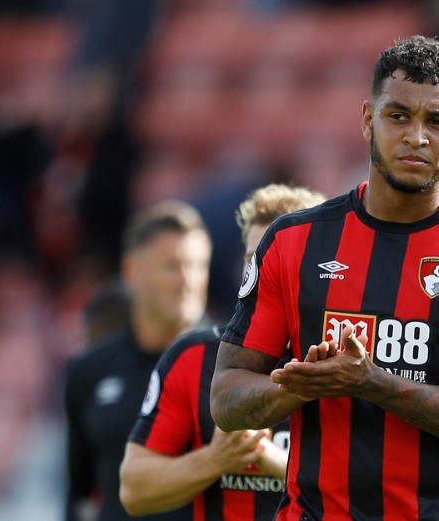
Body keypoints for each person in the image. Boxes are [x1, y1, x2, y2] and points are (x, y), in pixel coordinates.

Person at [210, 35, 439, 520]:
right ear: (369, 119)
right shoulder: (294, 242)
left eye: (437, 121)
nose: (416, 136)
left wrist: (373, 383)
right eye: (398, 116)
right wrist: (300, 386)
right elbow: (225, 398)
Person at [118, 183, 326, 520]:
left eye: (279, 255)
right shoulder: (193, 357)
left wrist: (274, 461)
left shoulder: (349, 361)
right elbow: (134, 489)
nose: (262, 271)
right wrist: (216, 459)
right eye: (252, 258)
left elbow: (379, 492)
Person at [60, 200, 213, 521]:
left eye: (199, 266)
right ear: (131, 271)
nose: (188, 281)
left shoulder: (232, 365)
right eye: (173, 266)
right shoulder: (88, 371)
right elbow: (80, 494)